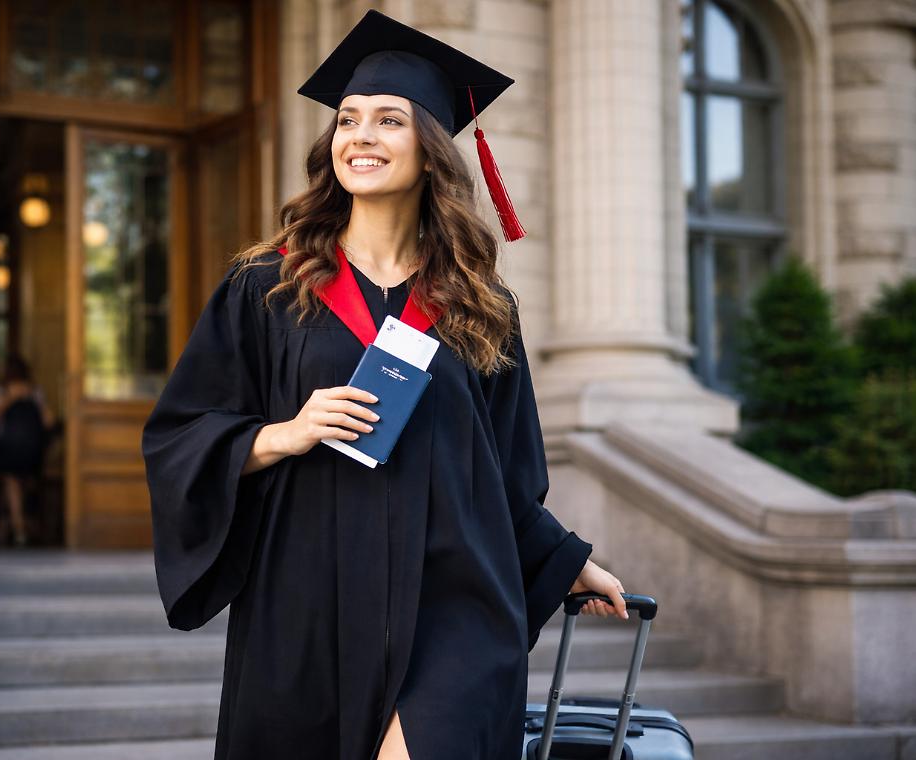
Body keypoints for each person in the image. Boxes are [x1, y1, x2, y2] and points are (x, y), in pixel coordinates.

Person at [142, 11, 629, 760]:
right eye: (347, 120)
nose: (360, 136)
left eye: (388, 120)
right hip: (305, 606)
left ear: (431, 150)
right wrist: (282, 434)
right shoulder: (267, 287)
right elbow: (179, 434)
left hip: (453, 613)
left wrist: (565, 561)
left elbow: (503, 475)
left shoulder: (481, 307)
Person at [0, 354, 54, 547]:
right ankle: (15, 527)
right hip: (17, 450)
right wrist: (10, 399)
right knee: (10, 480)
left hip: (22, 449)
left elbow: (48, 420)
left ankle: (14, 528)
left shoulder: (32, 393)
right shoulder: (4, 392)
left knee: (10, 480)